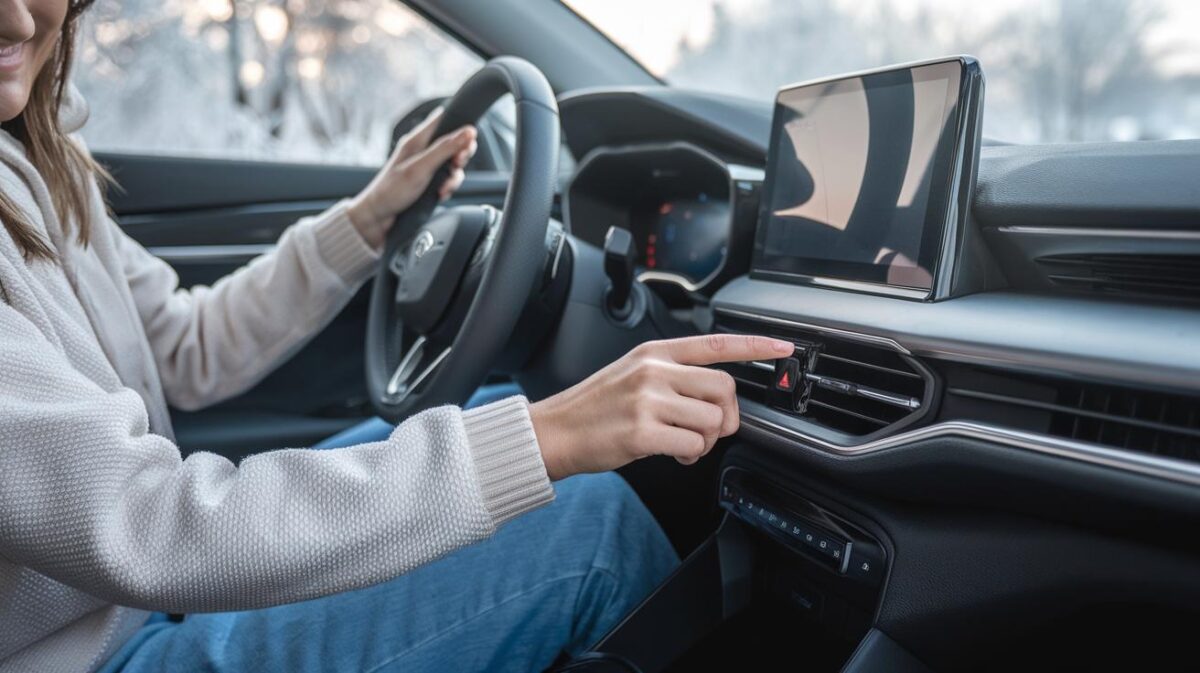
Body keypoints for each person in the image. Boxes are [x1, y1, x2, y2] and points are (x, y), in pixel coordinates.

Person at [0, 1, 795, 671]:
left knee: (497, 402)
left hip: (138, 598)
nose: (13, 14)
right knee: (593, 525)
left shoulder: (32, 158)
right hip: (106, 651)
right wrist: (552, 437)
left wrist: (368, 219)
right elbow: (155, 523)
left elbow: (182, 346)